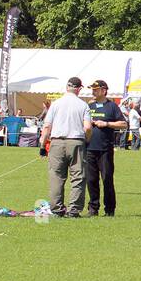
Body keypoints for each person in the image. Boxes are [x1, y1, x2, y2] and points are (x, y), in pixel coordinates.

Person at [39, 76, 92, 217]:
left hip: (57, 142)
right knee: (78, 177)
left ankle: (56, 209)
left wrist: (43, 146)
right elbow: (87, 128)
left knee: (56, 176)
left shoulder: (56, 104)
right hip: (76, 142)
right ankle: (74, 210)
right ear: (79, 88)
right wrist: (87, 141)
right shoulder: (83, 105)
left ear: (66, 87)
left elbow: (46, 127)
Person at [84, 79, 126, 217]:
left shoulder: (112, 106)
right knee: (91, 180)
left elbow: (123, 124)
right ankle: (93, 208)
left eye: (96, 90)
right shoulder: (89, 106)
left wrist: (106, 124)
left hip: (105, 149)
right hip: (90, 148)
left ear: (104, 90)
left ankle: (110, 209)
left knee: (107, 179)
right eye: (92, 89)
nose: (93, 92)